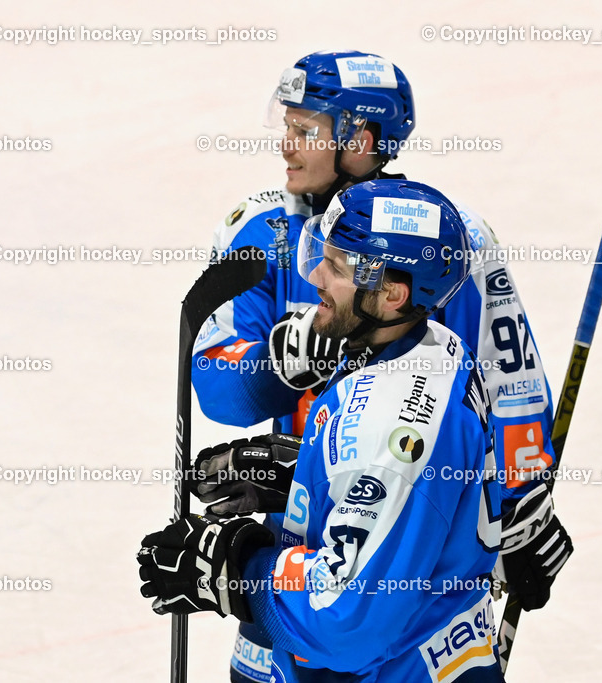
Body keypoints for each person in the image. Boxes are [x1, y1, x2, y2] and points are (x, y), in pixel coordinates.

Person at [189, 51, 572, 682]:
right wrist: (282, 367)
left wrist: (518, 511)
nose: (286, 145)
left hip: (419, 554)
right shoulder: (260, 229)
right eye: (286, 123)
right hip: (301, 541)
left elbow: (512, 384)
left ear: (360, 141)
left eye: (306, 130)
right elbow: (218, 391)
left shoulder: (450, 240)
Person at [141, 179, 510, 681]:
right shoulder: (424, 345)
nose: (314, 274)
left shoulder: (399, 424)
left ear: (392, 293)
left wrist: (234, 573)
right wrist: (302, 479)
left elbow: (347, 619)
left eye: (335, 266)